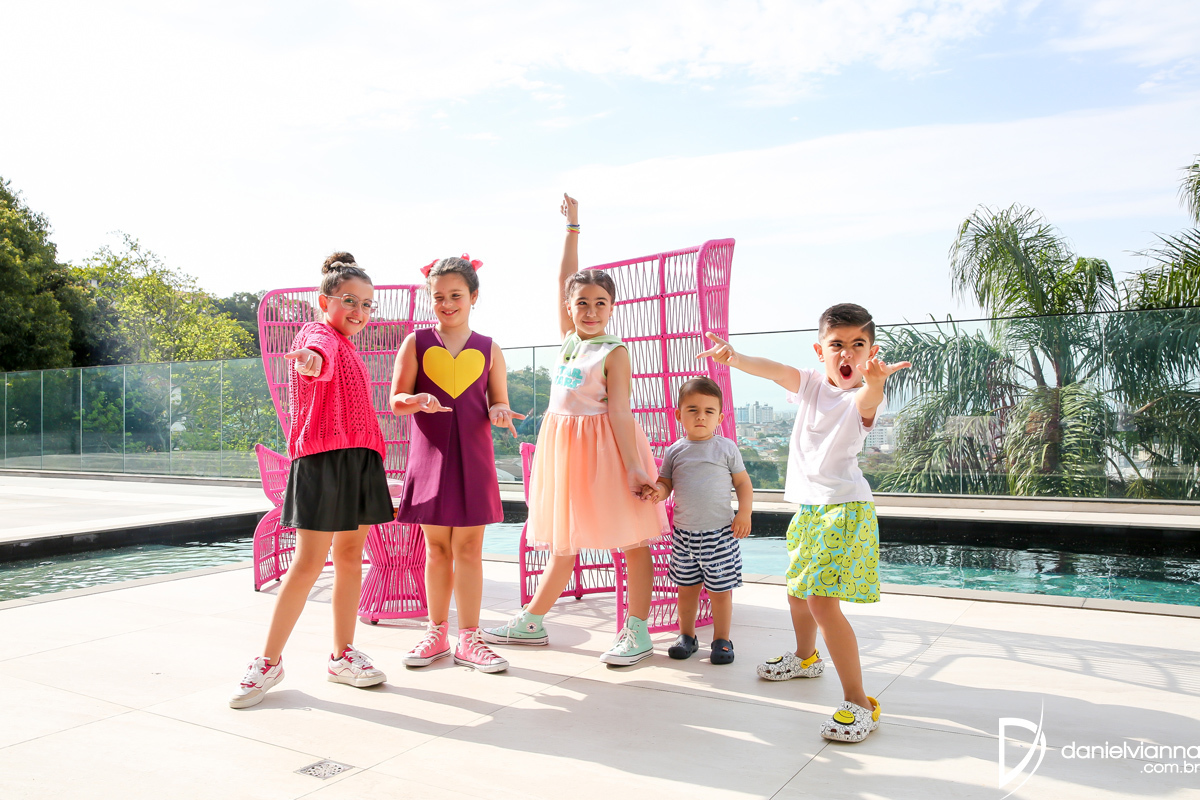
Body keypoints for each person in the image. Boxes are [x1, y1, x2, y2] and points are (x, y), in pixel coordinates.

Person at [697, 304, 910, 742]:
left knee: (821, 602)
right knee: (797, 590)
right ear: (820, 350)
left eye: (858, 344)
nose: (847, 353)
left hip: (843, 510)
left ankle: (860, 703)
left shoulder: (860, 397)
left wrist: (875, 383)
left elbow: (869, 400)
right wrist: (734, 358)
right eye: (837, 344)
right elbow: (775, 370)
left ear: (871, 352)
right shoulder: (811, 384)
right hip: (811, 508)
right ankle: (806, 658)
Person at [482, 194, 669, 666]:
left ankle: (638, 631)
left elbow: (621, 413)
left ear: (612, 308)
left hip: (608, 451)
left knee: (632, 539)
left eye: (599, 303)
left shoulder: (614, 351)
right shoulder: (569, 340)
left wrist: (634, 468)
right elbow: (563, 278)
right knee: (565, 537)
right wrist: (572, 230)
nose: (590, 310)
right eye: (581, 302)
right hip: (566, 450)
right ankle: (532, 621)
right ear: (569, 306)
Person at [230, 253, 393, 709]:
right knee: (307, 564)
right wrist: (309, 361)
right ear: (325, 302)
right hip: (323, 460)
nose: (359, 311)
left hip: (361, 458)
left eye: (366, 304)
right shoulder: (316, 335)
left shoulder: (351, 347)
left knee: (351, 558)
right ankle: (268, 662)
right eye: (349, 301)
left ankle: (343, 656)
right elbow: (316, 357)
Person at [390, 255, 523, 674]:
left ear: (473, 296)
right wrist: (415, 400)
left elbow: (497, 400)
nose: (447, 304)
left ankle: (470, 638)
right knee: (436, 549)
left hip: (474, 457)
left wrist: (500, 411)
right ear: (430, 298)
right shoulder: (415, 343)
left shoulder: (490, 348)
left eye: (456, 295)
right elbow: (395, 401)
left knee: (468, 549)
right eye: (439, 297)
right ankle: (436, 633)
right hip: (429, 455)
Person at [652, 376, 753, 665]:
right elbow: (666, 483)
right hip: (684, 536)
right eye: (693, 410)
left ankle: (722, 640)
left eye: (709, 411)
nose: (700, 417)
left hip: (720, 534)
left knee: (720, 592)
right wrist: (657, 492)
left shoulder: (726, 448)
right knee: (686, 590)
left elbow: (743, 483)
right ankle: (687, 636)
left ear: (719, 418)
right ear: (679, 414)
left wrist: (744, 513)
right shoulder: (675, 450)